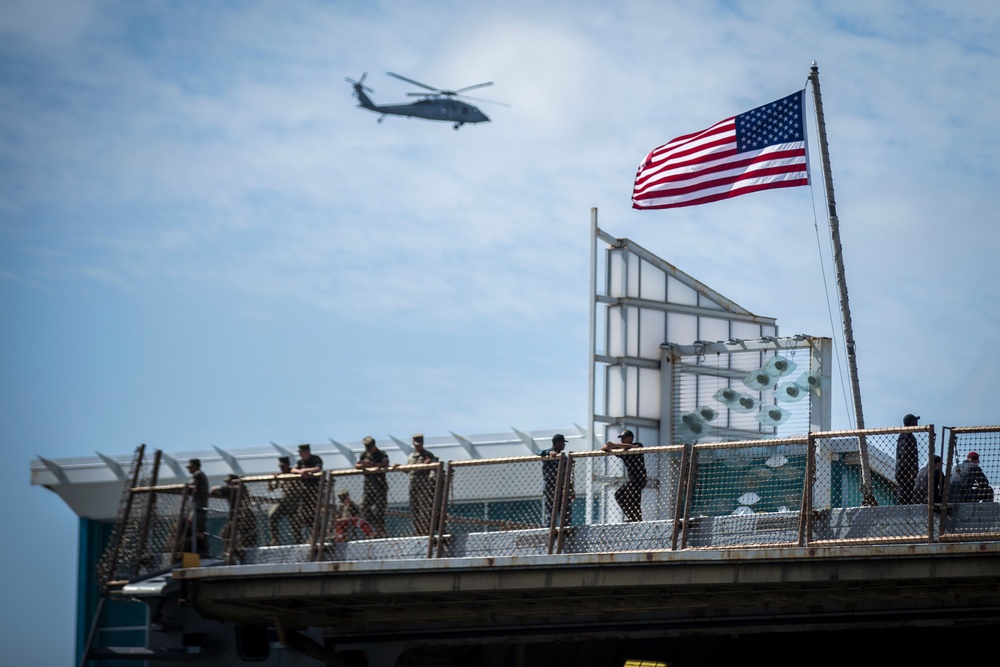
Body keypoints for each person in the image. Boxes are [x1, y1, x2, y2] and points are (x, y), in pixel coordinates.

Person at [601, 429, 647, 522]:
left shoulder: (637, 445)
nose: (622, 440)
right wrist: (609, 445)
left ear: (631, 438)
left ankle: (635, 518)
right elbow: (603, 448)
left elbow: (633, 447)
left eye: (624, 438)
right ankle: (635, 518)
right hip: (633, 479)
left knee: (620, 495)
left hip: (640, 479)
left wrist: (615, 445)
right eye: (621, 438)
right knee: (633, 500)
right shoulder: (623, 451)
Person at [399, 433, 439, 536]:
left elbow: (434, 466)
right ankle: (418, 530)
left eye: (420, 444)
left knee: (425, 508)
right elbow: (408, 469)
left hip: (424, 484)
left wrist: (427, 464)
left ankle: (426, 529)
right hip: (414, 483)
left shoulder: (428, 455)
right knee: (415, 507)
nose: (418, 446)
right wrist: (399, 467)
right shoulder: (411, 456)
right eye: (416, 444)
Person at [355, 436, 390, 538]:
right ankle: (377, 527)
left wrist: (373, 464)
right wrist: (363, 465)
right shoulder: (364, 455)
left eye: (370, 447)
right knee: (364, 507)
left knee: (380, 510)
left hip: (380, 486)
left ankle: (380, 529)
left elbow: (385, 462)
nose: (368, 450)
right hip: (368, 487)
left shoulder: (381, 454)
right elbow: (356, 465)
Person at [291, 444, 323, 543]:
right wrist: (300, 471)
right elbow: (292, 469)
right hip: (304, 493)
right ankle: (299, 539)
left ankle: (316, 538)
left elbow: (318, 468)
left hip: (315, 492)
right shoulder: (301, 462)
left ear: (307, 451)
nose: (300, 454)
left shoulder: (315, 459)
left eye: (301, 452)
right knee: (300, 516)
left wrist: (307, 470)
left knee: (315, 515)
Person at [267, 455, 297, 546]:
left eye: (283, 466)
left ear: (288, 465)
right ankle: (275, 540)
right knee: (272, 515)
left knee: (295, 523)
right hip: (285, 501)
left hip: (296, 501)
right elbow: (272, 489)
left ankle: (298, 540)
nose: (282, 468)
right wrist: (271, 480)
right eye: (280, 466)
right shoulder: (281, 476)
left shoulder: (294, 473)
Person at [539, 434, 567, 526]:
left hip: (563, 488)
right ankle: (550, 532)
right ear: (557, 443)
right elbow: (538, 452)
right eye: (563, 443)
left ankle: (565, 531)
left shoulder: (564, 457)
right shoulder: (548, 455)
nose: (564, 445)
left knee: (565, 511)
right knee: (551, 513)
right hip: (551, 488)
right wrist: (549, 453)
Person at [895, 414, 920, 505]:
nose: (917, 424)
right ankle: (899, 513)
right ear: (911, 423)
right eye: (915, 422)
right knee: (904, 494)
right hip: (905, 471)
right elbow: (904, 454)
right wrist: (911, 469)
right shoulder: (907, 436)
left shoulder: (905, 435)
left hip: (904, 470)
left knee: (906, 494)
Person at [186, 458, 210, 555]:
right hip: (200, 505)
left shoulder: (198, 474)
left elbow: (191, 486)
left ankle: (200, 551)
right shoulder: (200, 475)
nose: (189, 469)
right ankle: (201, 551)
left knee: (197, 529)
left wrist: (185, 488)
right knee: (198, 528)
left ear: (195, 466)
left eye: (190, 467)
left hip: (198, 506)